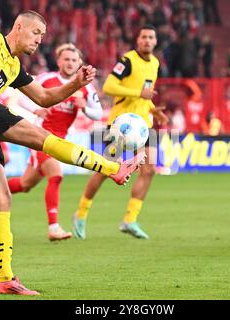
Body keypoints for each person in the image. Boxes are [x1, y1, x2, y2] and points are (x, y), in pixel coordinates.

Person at [0, 10, 145, 295]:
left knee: (1, 197)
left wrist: (75, 84)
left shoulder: (14, 67)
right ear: (20, 26)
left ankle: (4, 278)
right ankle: (112, 168)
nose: (39, 40)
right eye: (36, 33)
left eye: (43, 37)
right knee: (42, 137)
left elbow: (45, 97)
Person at [0, 43, 102, 242]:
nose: (70, 63)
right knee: (56, 175)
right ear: (59, 61)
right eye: (67, 59)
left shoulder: (85, 86)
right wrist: (36, 109)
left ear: (79, 63)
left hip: (60, 140)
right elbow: (20, 98)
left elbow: (96, 112)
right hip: (40, 136)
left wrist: (85, 108)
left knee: (26, 184)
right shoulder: (47, 79)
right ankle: (53, 227)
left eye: (74, 60)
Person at [72, 25, 168, 240]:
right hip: (121, 126)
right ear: (137, 40)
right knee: (106, 170)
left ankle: (130, 219)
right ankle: (81, 213)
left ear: (155, 41)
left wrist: (153, 109)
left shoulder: (155, 63)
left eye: (151, 37)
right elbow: (108, 86)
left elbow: (145, 93)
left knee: (149, 169)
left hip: (144, 126)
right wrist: (139, 94)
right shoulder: (127, 61)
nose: (147, 41)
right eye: (143, 37)